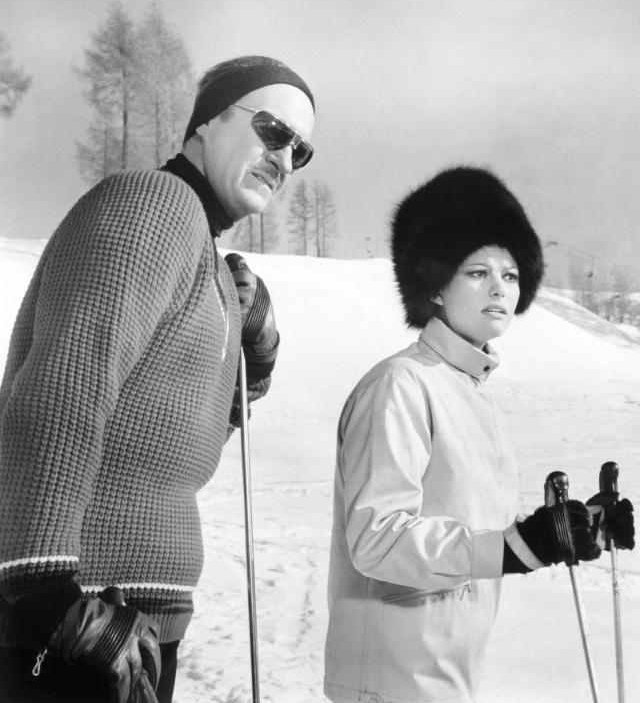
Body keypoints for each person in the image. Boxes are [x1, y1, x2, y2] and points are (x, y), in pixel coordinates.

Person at [0, 55, 316, 702]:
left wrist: (251, 368)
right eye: (273, 130)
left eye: (301, 151)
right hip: (77, 615)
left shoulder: (209, 262)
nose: (284, 160)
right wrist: (43, 588)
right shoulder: (154, 203)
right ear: (206, 124)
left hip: (136, 619)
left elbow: (176, 441)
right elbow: (65, 384)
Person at [323, 166, 634, 703]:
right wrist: (517, 547)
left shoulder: (470, 392)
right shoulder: (401, 385)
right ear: (434, 286)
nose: (499, 288)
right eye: (476, 272)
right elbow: (378, 538)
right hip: (392, 681)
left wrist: (574, 527)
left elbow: (472, 533)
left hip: (447, 675)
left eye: (511, 275)